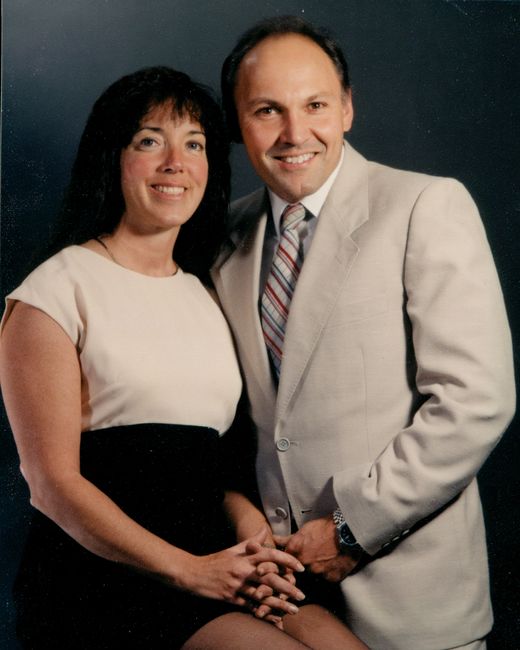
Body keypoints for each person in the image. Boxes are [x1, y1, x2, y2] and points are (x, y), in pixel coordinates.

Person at [0, 66, 367, 649]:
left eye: (193, 144)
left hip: (217, 558)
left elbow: (208, 467)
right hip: (106, 576)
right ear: (112, 157)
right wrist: (188, 570)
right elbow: (51, 485)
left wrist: (255, 541)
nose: (176, 162)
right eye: (150, 141)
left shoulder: (207, 292)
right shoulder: (54, 291)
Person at [212, 16, 516, 650]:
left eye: (316, 105)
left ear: (347, 108)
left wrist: (350, 529)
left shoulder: (424, 206)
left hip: (411, 607)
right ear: (237, 124)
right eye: (268, 110)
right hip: (278, 606)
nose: (296, 133)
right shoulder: (221, 237)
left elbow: (474, 402)